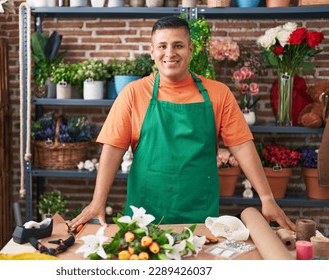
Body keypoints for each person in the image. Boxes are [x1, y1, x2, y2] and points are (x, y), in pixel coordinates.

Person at [68, 16, 295, 230]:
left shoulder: (218, 94)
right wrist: (98, 201)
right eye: (162, 46)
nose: (170, 53)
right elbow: (113, 148)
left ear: (190, 49)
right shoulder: (133, 93)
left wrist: (266, 198)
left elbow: (242, 145)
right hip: (144, 216)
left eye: (178, 45)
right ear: (152, 51)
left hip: (200, 215)